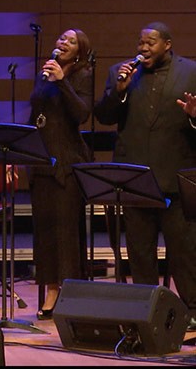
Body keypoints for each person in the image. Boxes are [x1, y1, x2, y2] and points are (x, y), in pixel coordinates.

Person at [94, 21, 196, 331]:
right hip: (136, 179)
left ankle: (191, 309)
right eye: (140, 43)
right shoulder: (121, 74)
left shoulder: (191, 72)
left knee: (185, 253)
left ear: (167, 44)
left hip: (175, 177)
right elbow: (104, 116)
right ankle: (147, 309)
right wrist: (119, 92)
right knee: (140, 252)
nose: (143, 48)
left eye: (150, 42)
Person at [27, 29, 93, 320]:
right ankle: (51, 288)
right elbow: (36, 118)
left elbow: (81, 115)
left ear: (79, 51)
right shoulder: (43, 76)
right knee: (45, 232)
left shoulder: (82, 75)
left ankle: (69, 293)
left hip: (67, 162)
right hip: (41, 161)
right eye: (61, 39)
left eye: (70, 41)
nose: (62, 43)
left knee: (66, 231)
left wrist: (62, 81)